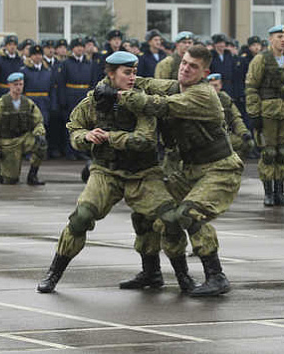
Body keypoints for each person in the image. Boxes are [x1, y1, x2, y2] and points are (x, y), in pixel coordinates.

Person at [37, 51, 194, 294]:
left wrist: (109, 137)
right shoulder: (92, 102)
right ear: (111, 74)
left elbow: (144, 140)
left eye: (134, 72)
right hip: (106, 172)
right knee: (81, 218)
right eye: (127, 73)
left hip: (143, 173)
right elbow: (74, 130)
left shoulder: (141, 102)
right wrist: (85, 137)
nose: (133, 77)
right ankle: (53, 274)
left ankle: (176, 275)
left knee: (168, 219)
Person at [100, 45, 244, 296]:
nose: (186, 69)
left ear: (205, 72)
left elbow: (158, 105)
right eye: (184, 63)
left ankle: (216, 275)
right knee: (146, 212)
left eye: (193, 67)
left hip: (220, 169)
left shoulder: (203, 95)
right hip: (189, 170)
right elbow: (144, 83)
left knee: (190, 213)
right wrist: (112, 82)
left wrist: (120, 95)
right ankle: (151, 272)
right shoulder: (175, 85)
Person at [245, 25, 284, 207]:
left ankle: (280, 192)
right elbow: (252, 88)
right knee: (269, 152)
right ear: (270, 39)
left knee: (283, 152)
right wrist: (254, 113)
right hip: (267, 111)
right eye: (279, 36)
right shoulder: (261, 59)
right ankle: (268, 193)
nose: (283, 40)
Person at [0, 72, 46, 186]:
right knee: (11, 181)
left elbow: (38, 121)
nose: (18, 87)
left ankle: (32, 175)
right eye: (15, 84)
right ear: (9, 85)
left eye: (20, 84)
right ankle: (3, 168)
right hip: (8, 142)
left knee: (41, 145)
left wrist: (40, 134)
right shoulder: (0, 104)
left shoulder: (28, 103)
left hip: (24, 138)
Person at [59, 38, 98, 160]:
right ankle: (70, 151)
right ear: (73, 49)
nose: (80, 49)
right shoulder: (66, 63)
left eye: (82, 46)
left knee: (85, 125)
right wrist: (63, 100)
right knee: (71, 125)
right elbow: (61, 83)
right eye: (77, 46)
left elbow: (93, 82)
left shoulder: (89, 63)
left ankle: (82, 150)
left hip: (84, 96)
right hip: (71, 96)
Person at [207, 73, 254, 159]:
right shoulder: (203, 100)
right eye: (211, 86)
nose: (214, 88)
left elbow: (236, 118)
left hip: (225, 135)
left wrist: (243, 133)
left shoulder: (225, 99)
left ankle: (234, 168)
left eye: (216, 85)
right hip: (209, 138)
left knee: (248, 144)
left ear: (220, 85)